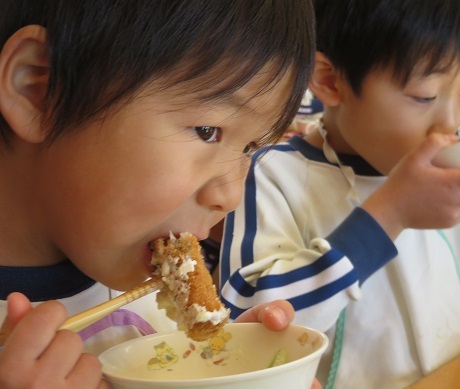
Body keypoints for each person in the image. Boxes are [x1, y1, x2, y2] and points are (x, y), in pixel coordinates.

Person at [0, 0, 316, 387]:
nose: (231, 196)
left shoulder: (126, 271)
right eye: (207, 131)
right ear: (39, 89)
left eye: (251, 148)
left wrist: (229, 372)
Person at [219, 0, 460, 388]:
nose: (449, 125)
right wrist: (388, 215)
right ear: (329, 80)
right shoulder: (273, 173)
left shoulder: (448, 171)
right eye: (424, 97)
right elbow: (248, 324)